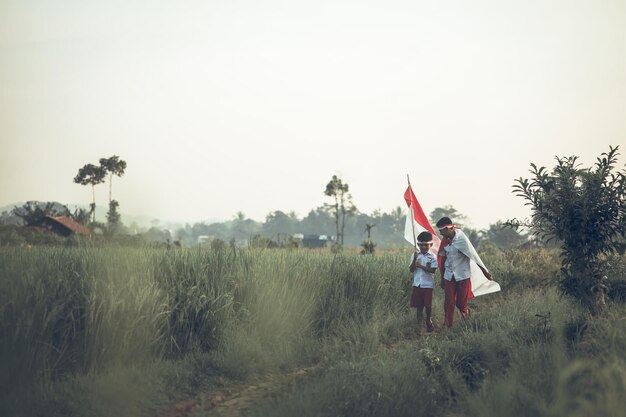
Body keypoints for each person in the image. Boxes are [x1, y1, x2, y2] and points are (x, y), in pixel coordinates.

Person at [436, 216, 492, 327]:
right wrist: (442, 277)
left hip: (463, 275)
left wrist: (485, 271)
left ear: (448, 229)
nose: (440, 234)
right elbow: (443, 259)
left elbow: (474, 256)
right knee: (449, 302)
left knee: (461, 303)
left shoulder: (462, 238)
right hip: (449, 275)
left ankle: (466, 314)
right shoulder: (445, 241)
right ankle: (448, 325)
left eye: (441, 231)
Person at [409, 231, 438, 334]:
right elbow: (411, 269)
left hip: (428, 285)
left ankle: (428, 319)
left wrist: (420, 266)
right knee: (419, 307)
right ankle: (420, 328)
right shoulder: (415, 255)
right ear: (418, 245)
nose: (423, 247)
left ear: (431, 245)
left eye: (426, 245)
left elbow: (433, 270)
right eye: (421, 245)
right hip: (417, 284)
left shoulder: (433, 257)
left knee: (428, 306)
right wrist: (415, 261)